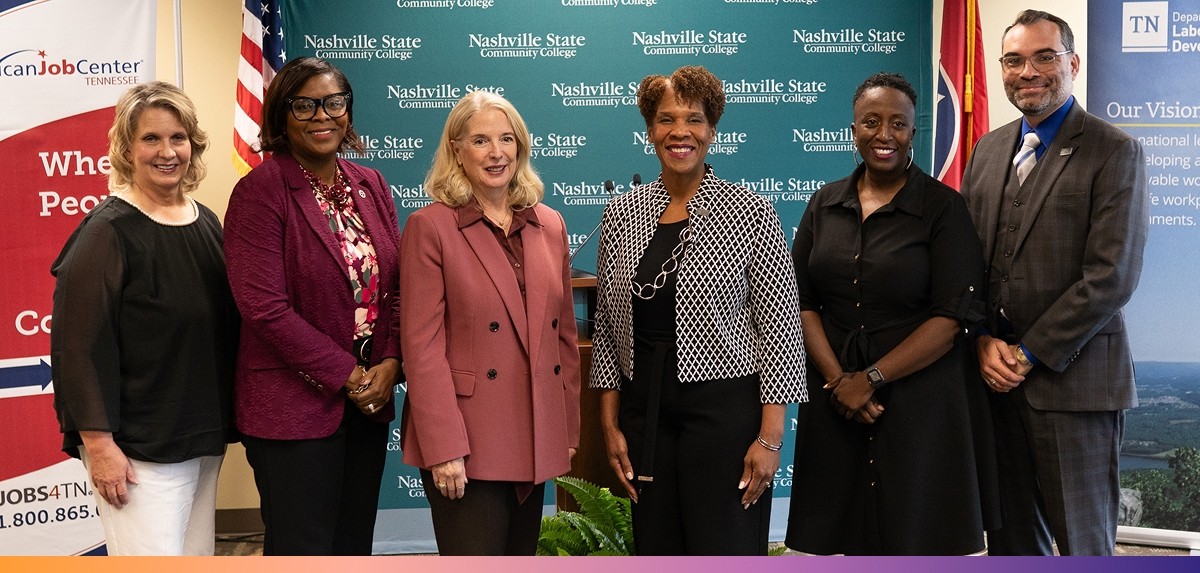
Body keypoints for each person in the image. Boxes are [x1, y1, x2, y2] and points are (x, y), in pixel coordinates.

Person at [590, 65, 806, 555]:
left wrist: (771, 439)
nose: (680, 132)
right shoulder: (622, 213)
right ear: (650, 130)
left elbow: (780, 330)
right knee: (658, 545)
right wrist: (609, 425)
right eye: (666, 119)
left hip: (724, 408)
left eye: (694, 119)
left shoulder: (749, 210)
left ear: (712, 130)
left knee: (722, 544)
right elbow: (606, 329)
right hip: (645, 406)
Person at [960, 10, 1149, 556]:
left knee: (1084, 547)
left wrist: (1027, 355)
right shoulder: (989, 149)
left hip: (1076, 386)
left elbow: (1111, 276)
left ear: (1073, 62)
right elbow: (969, 265)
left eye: (1045, 57)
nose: (1029, 71)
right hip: (992, 386)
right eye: (1014, 60)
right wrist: (981, 342)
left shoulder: (1114, 150)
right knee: (1015, 544)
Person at [784, 72, 998, 555]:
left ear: (912, 133)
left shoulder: (944, 208)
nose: (884, 134)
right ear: (853, 129)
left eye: (898, 123)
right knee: (837, 534)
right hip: (834, 395)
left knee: (917, 534)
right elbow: (802, 302)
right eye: (871, 122)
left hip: (920, 397)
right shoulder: (823, 204)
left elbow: (952, 318)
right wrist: (841, 380)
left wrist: (872, 378)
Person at [50, 81, 238, 555]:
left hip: (200, 439)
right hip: (138, 452)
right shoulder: (106, 232)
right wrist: (98, 446)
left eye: (178, 138)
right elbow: (78, 350)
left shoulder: (205, 222)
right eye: (151, 139)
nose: (167, 152)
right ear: (126, 149)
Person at [223, 57, 402, 555]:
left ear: (348, 112)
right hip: (292, 409)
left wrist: (390, 363)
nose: (321, 116)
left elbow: (399, 285)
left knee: (351, 548)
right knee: (304, 551)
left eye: (333, 103)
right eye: (304, 105)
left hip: (368, 404)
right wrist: (350, 374)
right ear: (282, 116)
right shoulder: (259, 193)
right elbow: (263, 309)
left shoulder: (371, 183)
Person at [398, 90, 580, 556]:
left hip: (534, 432)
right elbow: (422, 347)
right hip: (466, 442)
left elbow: (562, 338)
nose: (496, 153)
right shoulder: (431, 227)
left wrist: (567, 432)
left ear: (521, 147)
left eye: (506, 139)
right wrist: (443, 447)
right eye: (480, 140)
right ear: (456, 149)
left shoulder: (550, 224)